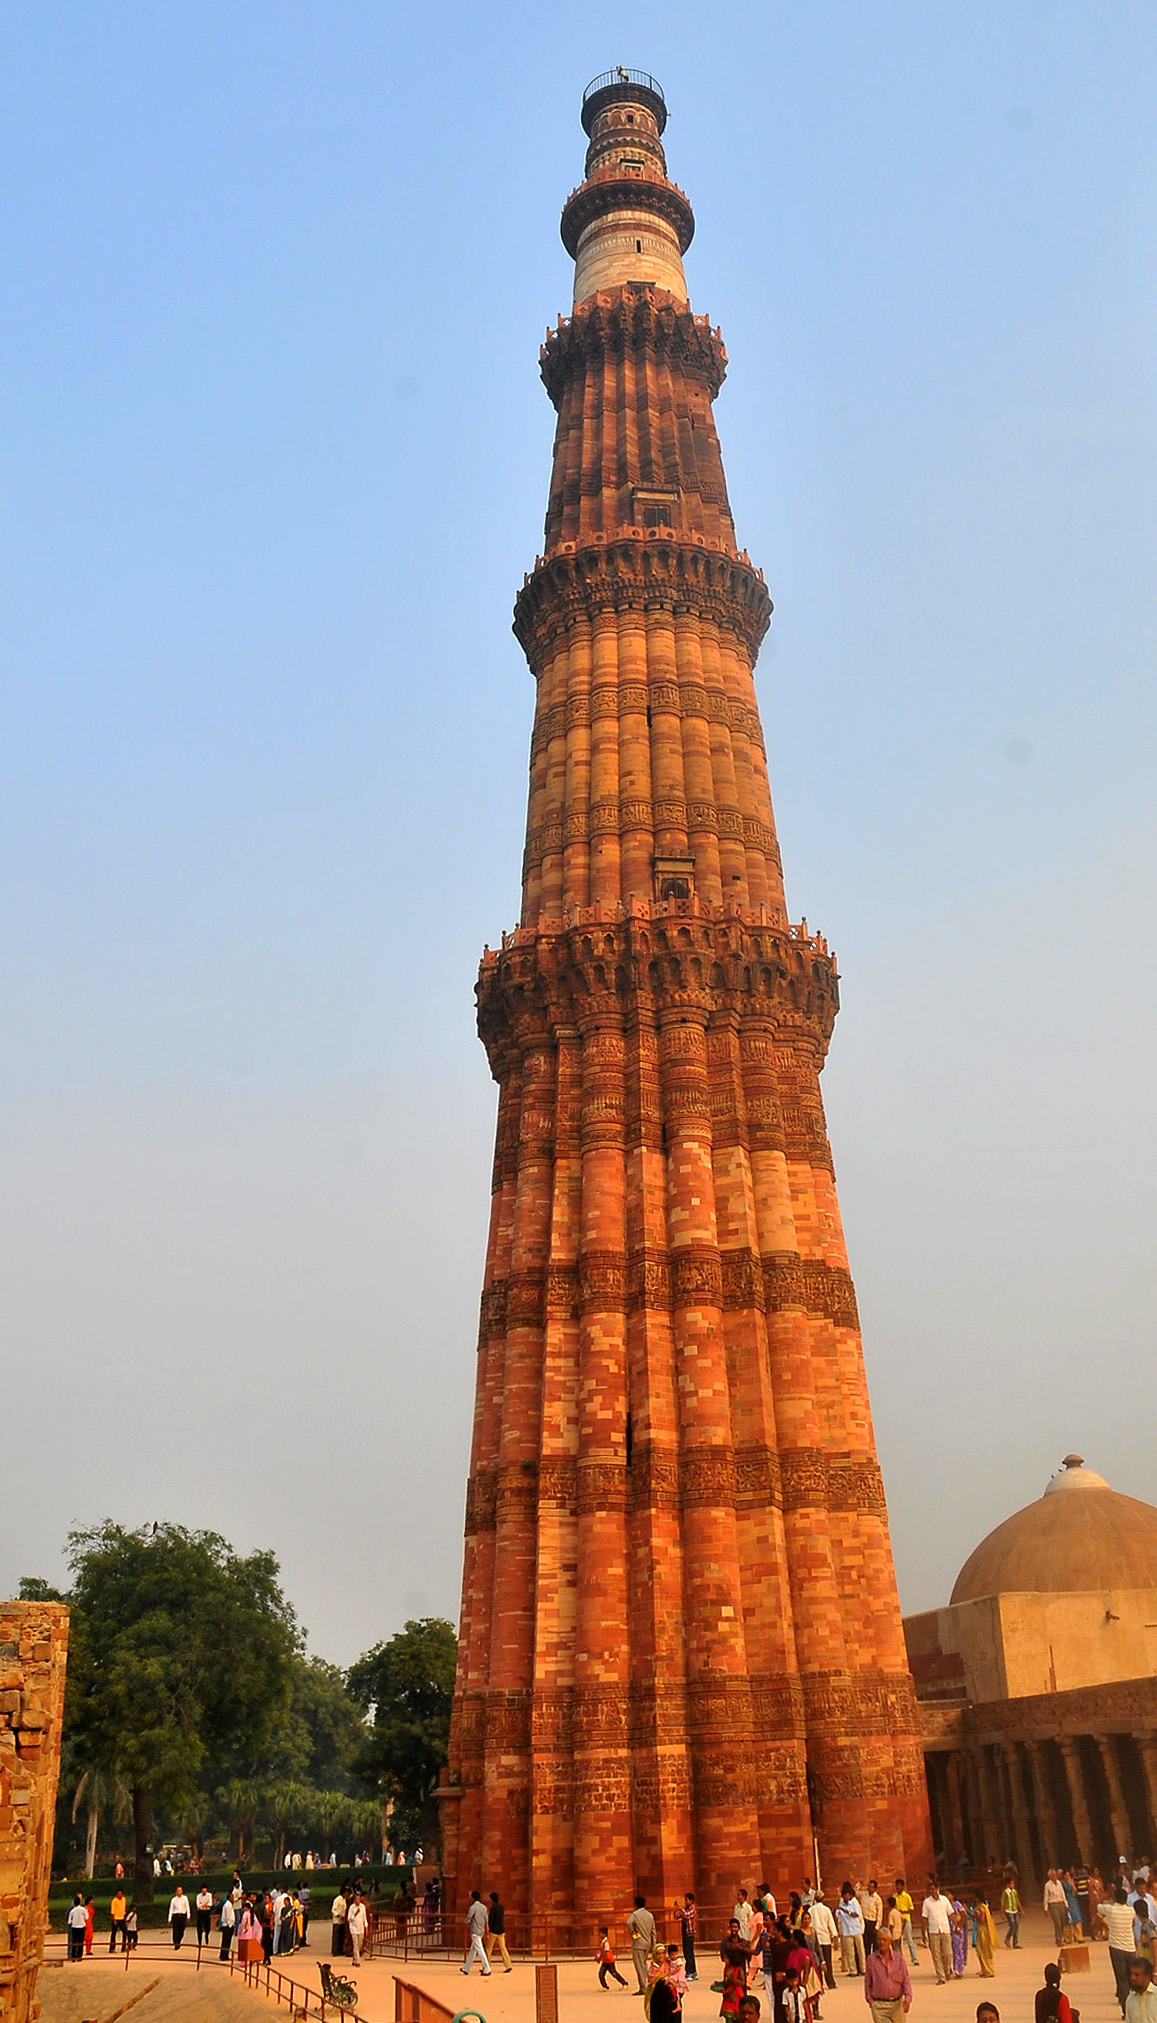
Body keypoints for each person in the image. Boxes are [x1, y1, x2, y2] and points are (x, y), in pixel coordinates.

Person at [863, 1923, 912, 2023]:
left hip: (897, 2005)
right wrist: (871, 2001)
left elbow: (906, 1981)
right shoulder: (871, 1960)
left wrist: (907, 1999)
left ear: (890, 1941)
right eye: (879, 1940)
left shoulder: (899, 1960)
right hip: (879, 2006)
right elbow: (868, 1983)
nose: (881, 1942)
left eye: (884, 1940)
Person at [1106, 1887, 1142, 2012]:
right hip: (1130, 1948)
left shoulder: (1110, 1909)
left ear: (1115, 1898)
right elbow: (1132, 1924)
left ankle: (1126, 2009)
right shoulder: (1131, 1911)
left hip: (1116, 1948)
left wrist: (1109, 1898)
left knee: (1122, 1980)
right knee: (1132, 1978)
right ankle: (1135, 2005)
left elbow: (1099, 1907)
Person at [921, 1883, 953, 1985]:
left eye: (932, 1889)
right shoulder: (927, 1902)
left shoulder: (944, 1900)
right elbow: (924, 1918)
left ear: (937, 1889)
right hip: (933, 1931)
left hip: (945, 1929)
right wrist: (924, 1932)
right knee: (936, 1955)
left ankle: (947, 1971)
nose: (931, 1891)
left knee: (948, 1953)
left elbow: (950, 1913)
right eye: (930, 1889)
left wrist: (957, 1925)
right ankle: (941, 1976)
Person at [720, 1919, 752, 2018]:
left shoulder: (744, 1942)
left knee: (742, 1996)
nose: (734, 1929)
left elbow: (749, 1957)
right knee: (729, 1997)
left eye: (735, 1927)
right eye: (732, 1927)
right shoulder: (725, 1943)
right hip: (730, 1972)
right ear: (729, 1928)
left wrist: (742, 1949)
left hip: (740, 1972)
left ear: (739, 1928)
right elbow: (723, 1957)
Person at [629, 1898, 658, 1996]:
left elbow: (628, 1923)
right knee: (644, 1964)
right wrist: (654, 1944)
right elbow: (653, 1931)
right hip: (647, 1942)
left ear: (636, 1904)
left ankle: (643, 1987)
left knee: (639, 1965)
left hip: (638, 1943)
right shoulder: (650, 1915)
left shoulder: (635, 1915)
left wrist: (634, 1934)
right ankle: (650, 1982)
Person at [838, 1884, 866, 1977]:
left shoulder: (854, 1903)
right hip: (846, 1930)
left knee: (860, 1950)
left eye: (847, 1895)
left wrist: (847, 1912)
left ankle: (863, 1969)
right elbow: (838, 1915)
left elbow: (857, 1914)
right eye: (844, 1895)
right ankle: (853, 1970)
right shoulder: (841, 1904)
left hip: (856, 1929)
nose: (846, 1896)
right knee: (850, 1952)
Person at [460, 1890, 490, 1977]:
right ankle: (466, 1968)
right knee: (473, 1950)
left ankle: (487, 1968)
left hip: (475, 1930)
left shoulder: (473, 1908)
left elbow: (469, 1918)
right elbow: (486, 1920)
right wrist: (487, 1932)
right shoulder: (484, 1907)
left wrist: (465, 1922)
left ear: (473, 1898)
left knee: (480, 1950)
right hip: (481, 1930)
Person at [810, 1894, 837, 1991]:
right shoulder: (826, 1910)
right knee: (828, 1962)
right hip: (825, 1939)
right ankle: (830, 1982)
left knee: (817, 1963)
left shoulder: (811, 1910)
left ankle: (819, 1983)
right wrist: (834, 1935)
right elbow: (831, 1924)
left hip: (815, 1939)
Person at [894, 1881, 918, 1967]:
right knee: (899, 1940)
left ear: (902, 1887)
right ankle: (900, 1958)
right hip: (898, 1920)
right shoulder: (894, 1897)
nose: (897, 1888)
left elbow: (911, 1909)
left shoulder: (907, 1897)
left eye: (899, 1886)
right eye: (896, 1886)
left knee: (909, 1940)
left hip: (906, 1919)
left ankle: (914, 1958)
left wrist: (903, 1912)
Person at [488, 1892, 512, 1972]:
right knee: (503, 1948)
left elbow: (491, 1920)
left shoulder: (493, 1908)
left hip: (494, 1931)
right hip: (501, 1930)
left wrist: (489, 1928)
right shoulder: (501, 1907)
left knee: (488, 1949)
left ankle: (487, 1966)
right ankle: (508, 1965)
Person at [1128, 1954, 1157, 2023]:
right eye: (1131, 1974)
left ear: (1147, 1977)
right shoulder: (1130, 1999)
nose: (1132, 1978)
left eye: (1137, 1975)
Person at [974, 1895, 997, 1977]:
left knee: (985, 1951)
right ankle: (984, 1969)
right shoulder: (980, 1906)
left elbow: (982, 1919)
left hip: (983, 1931)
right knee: (980, 1951)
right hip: (981, 1930)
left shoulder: (982, 1907)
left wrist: (976, 1915)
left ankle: (989, 1970)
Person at [676, 1895, 698, 1982]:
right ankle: (692, 1971)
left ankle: (691, 1972)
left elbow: (687, 1915)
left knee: (689, 1953)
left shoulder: (692, 1909)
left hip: (690, 1933)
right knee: (686, 1953)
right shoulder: (686, 1909)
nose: (685, 1902)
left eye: (686, 1900)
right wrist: (676, 1909)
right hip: (685, 1933)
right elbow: (677, 1916)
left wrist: (680, 1907)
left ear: (691, 1900)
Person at [1045, 1872, 1068, 1948]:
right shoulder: (1047, 1885)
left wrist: (1066, 1903)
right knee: (1057, 1922)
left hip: (1060, 1903)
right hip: (1053, 1904)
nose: (1054, 1876)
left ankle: (1061, 1937)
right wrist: (1046, 1908)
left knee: (1062, 1922)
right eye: (1053, 1875)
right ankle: (1058, 1940)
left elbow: (1062, 1893)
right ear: (1050, 1876)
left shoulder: (1059, 1883)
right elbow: (1046, 1896)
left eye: (1055, 1875)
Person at [860, 1882, 883, 1957]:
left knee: (875, 1945)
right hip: (865, 1922)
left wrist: (877, 1926)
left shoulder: (877, 1899)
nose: (869, 1888)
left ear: (875, 1888)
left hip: (873, 1923)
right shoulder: (863, 1895)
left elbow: (880, 1914)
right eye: (868, 1886)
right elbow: (854, 1892)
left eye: (871, 1887)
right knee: (866, 1944)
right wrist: (859, 1885)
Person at [346, 1892, 368, 1969]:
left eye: (359, 1899)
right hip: (354, 1929)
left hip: (361, 1928)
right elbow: (349, 1918)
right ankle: (357, 1961)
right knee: (355, 1944)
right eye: (356, 1899)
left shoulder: (362, 1907)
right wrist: (355, 1914)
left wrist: (366, 1927)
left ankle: (354, 1958)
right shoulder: (352, 1908)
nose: (357, 1901)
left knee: (359, 1944)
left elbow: (364, 1918)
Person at [950, 1896, 968, 1978]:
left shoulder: (957, 1904)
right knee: (954, 1950)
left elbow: (964, 1916)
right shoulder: (947, 1905)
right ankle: (955, 1968)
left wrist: (958, 1926)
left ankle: (959, 1969)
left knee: (959, 1949)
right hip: (950, 1930)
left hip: (957, 1929)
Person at [1001, 1879, 1021, 1950]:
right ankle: (1007, 1938)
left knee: (1017, 1926)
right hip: (1008, 1911)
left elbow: (1017, 1900)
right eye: (1011, 1884)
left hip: (1015, 1910)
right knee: (1012, 1926)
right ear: (1008, 1884)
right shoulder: (1005, 1892)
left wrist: (1021, 1909)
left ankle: (1015, 1943)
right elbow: (1003, 1902)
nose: (1013, 1885)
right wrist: (1002, 1913)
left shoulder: (1014, 1892)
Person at [66, 1894, 87, 1961]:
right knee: (80, 1942)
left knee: (74, 1942)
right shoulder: (83, 1909)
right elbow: (86, 1917)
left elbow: (69, 1921)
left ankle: (73, 1956)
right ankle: (79, 1956)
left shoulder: (72, 1911)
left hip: (74, 1927)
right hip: (81, 1926)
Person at [169, 1884, 191, 1949]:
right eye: (178, 1891)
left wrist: (188, 1915)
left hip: (182, 1915)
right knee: (175, 1930)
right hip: (175, 1915)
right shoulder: (173, 1900)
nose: (179, 1892)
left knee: (182, 1930)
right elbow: (171, 1909)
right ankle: (176, 1943)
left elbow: (187, 1907)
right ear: (176, 1892)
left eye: (180, 1890)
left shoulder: (185, 1898)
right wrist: (169, 1918)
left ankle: (179, 1940)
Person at [110, 1886, 128, 1953]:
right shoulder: (114, 1901)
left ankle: (123, 1947)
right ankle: (112, 1948)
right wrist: (114, 1920)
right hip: (116, 1918)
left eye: (120, 1894)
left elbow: (124, 1908)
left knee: (125, 1933)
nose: (119, 1895)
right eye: (118, 1894)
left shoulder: (124, 1899)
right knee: (113, 1934)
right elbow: (112, 1911)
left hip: (122, 1918)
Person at [330, 1886, 348, 1957]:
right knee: (336, 1936)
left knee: (341, 1936)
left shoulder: (344, 1900)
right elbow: (333, 1909)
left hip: (342, 1920)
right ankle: (335, 1951)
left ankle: (340, 1950)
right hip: (337, 1920)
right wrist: (337, 1914)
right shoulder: (337, 1900)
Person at [219, 1893, 237, 1960]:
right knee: (226, 1941)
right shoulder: (228, 1905)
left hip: (228, 1925)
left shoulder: (229, 1905)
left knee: (225, 1941)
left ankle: (223, 1954)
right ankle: (224, 1955)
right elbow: (229, 1916)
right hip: (228, 1925)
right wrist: (230, 1925)